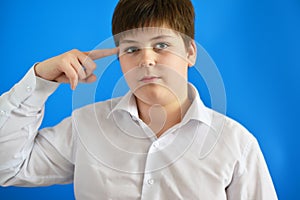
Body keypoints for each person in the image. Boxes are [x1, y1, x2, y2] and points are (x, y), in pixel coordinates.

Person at [0, 0, 278, 199]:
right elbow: (6, 169)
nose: (146, 59)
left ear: (190, 53)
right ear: (119, 58)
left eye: (161, 45)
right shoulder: (86, 126)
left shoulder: (236, 144)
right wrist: (39, 81)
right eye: (131, 49)